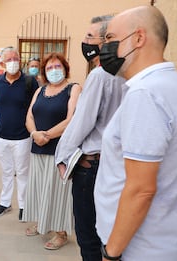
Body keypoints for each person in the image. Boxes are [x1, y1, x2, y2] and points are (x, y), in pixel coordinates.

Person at [94, 6, 177, 260]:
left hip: (136, 248)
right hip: (162, 240)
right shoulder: (172, 85)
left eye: (110, 39)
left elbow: (141, 189)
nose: (104, 47)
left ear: (138, 38)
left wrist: (111, 253)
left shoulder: (146, 95)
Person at [54, 15, 125, 260]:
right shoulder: (126, 72)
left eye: (89, 37)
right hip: (114, 163)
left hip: (92, 164)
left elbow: (81, 123)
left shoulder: (100, 75)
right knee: (106, 232)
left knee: (88, 236)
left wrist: (62, 156)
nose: (84, 41)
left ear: (105, 41)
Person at [23, 52, 81, 250]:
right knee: (40, 188)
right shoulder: (40, 91)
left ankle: (61, 233)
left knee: (58, 192)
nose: (54, 71)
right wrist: (34, 134)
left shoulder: (73, 89)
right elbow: (29, 116)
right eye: (49, 68)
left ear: (65, 68)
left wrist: (45, 135)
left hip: (60, 151)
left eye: (58, 67)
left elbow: (72, 119)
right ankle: (43, 222)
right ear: (44, 73)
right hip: (37, 147)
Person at [0, 46, 39, 221]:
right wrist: (5, 119)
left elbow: (35, 107)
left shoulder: (29, 82)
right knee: (6, 171)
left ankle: (24, 205)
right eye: (9, 60)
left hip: (22, 136)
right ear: (2, 63)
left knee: (23, 172)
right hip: (2, 135)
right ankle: (5, 202)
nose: (13, 63)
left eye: (16, 59)